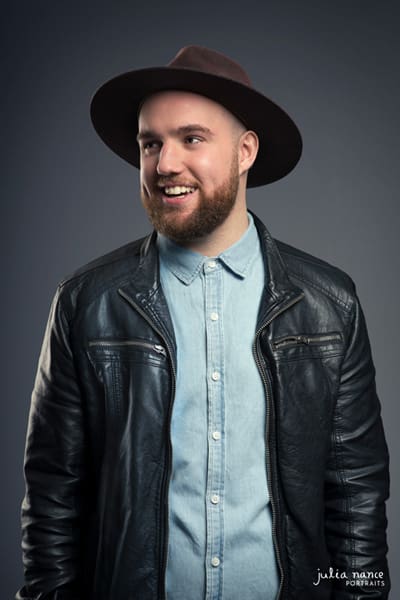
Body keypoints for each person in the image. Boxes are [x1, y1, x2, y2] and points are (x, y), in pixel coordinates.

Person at [17, 45, 390, 600]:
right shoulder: (85, 303)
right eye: (151, 143)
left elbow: (356, 495)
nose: (164, 164)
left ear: (245, 152)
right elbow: (53, 498)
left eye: (191, 139)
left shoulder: (330, 305)